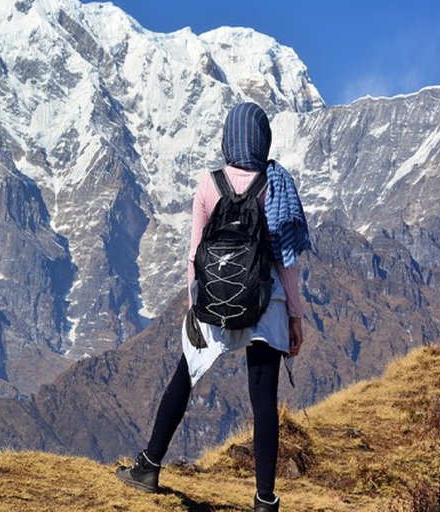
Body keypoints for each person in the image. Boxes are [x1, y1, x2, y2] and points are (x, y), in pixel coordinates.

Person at [116, 102, 310, 512]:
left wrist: (196, 307)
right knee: (263, 402)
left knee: (183, 379)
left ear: (228, 138)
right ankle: (264, 500)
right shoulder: (274, 184)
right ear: (263, 138)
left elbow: (194, 255)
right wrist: (295, 316)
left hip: (214, 299)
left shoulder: (208, 184)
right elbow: (285, 262)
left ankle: (148, 467)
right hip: (265, 302)